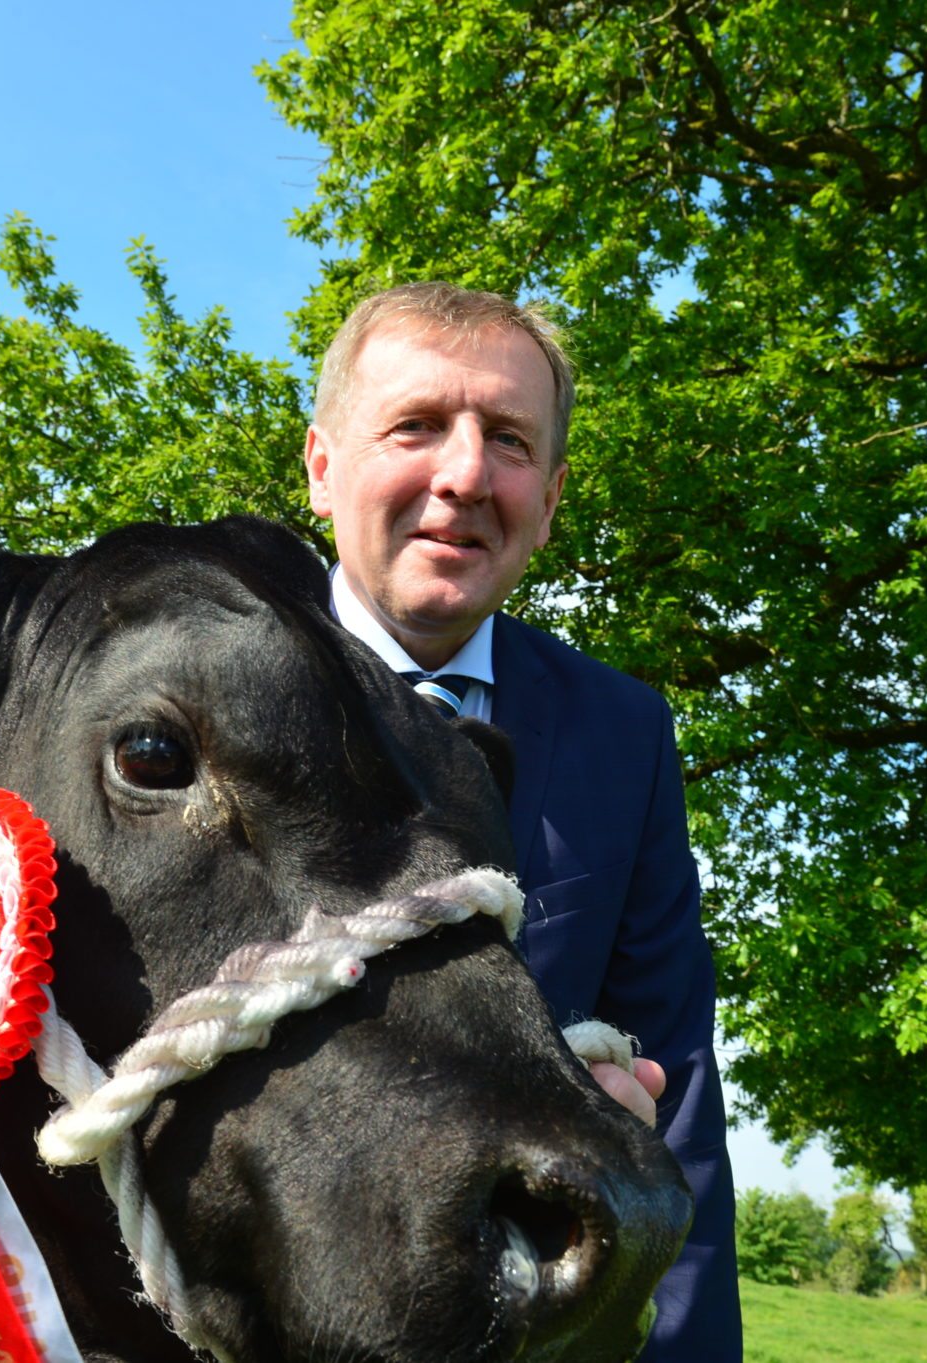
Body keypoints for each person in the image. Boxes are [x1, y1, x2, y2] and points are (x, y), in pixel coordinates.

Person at [303, 283, 740, 1360]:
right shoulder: (179, 698)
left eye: (506, 439)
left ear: (545, 500)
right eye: (414, 425)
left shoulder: (622, 733)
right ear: (320, 465)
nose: (461, 474)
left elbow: (672, 1087)